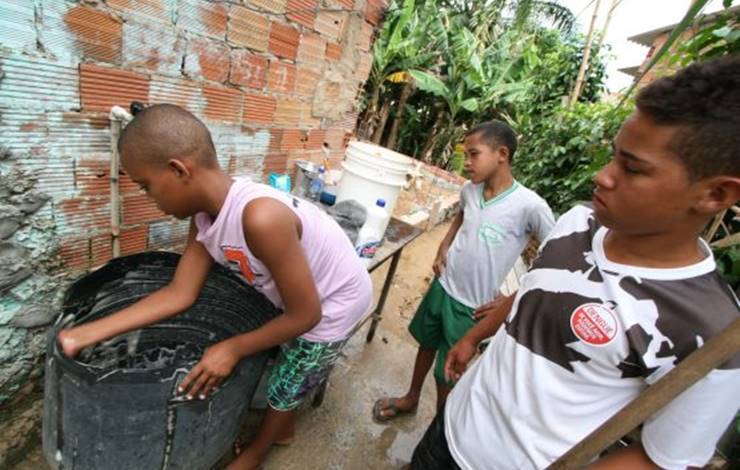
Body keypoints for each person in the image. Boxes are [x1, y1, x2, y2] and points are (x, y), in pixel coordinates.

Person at [410, 56, 740, 469]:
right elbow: (536, 289)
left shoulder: (710, 335)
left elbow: (663, 459)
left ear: (715, 195)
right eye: (614, 156)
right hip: (451, 427)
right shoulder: (576, 222)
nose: (603, 176)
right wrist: (476, 335)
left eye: (632, 168)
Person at [57, 104, 373, 469]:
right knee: (283, 351)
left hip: (334, 302)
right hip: (304, 296)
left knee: (290, 378)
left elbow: (306, 314)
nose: (149, 199)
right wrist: (86, 333)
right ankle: (281, 428)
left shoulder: (260, 218)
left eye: (147, 187)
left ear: (178, 170)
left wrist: (232, 348)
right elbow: (180, 293)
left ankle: (262, 448)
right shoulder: (205, 217)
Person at [373, 121, 555, 422]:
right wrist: (444, 244)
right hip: (443, 286)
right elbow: (461, 216)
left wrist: (514, 297)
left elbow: (556, 253)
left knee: (448, 374)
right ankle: (412, 397)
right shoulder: (470, 191)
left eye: (473, 154)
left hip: (471, 307)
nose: (466, 163)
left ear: (502, 154)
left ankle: (438, 434)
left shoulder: (530, 207)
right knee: (426, 345)